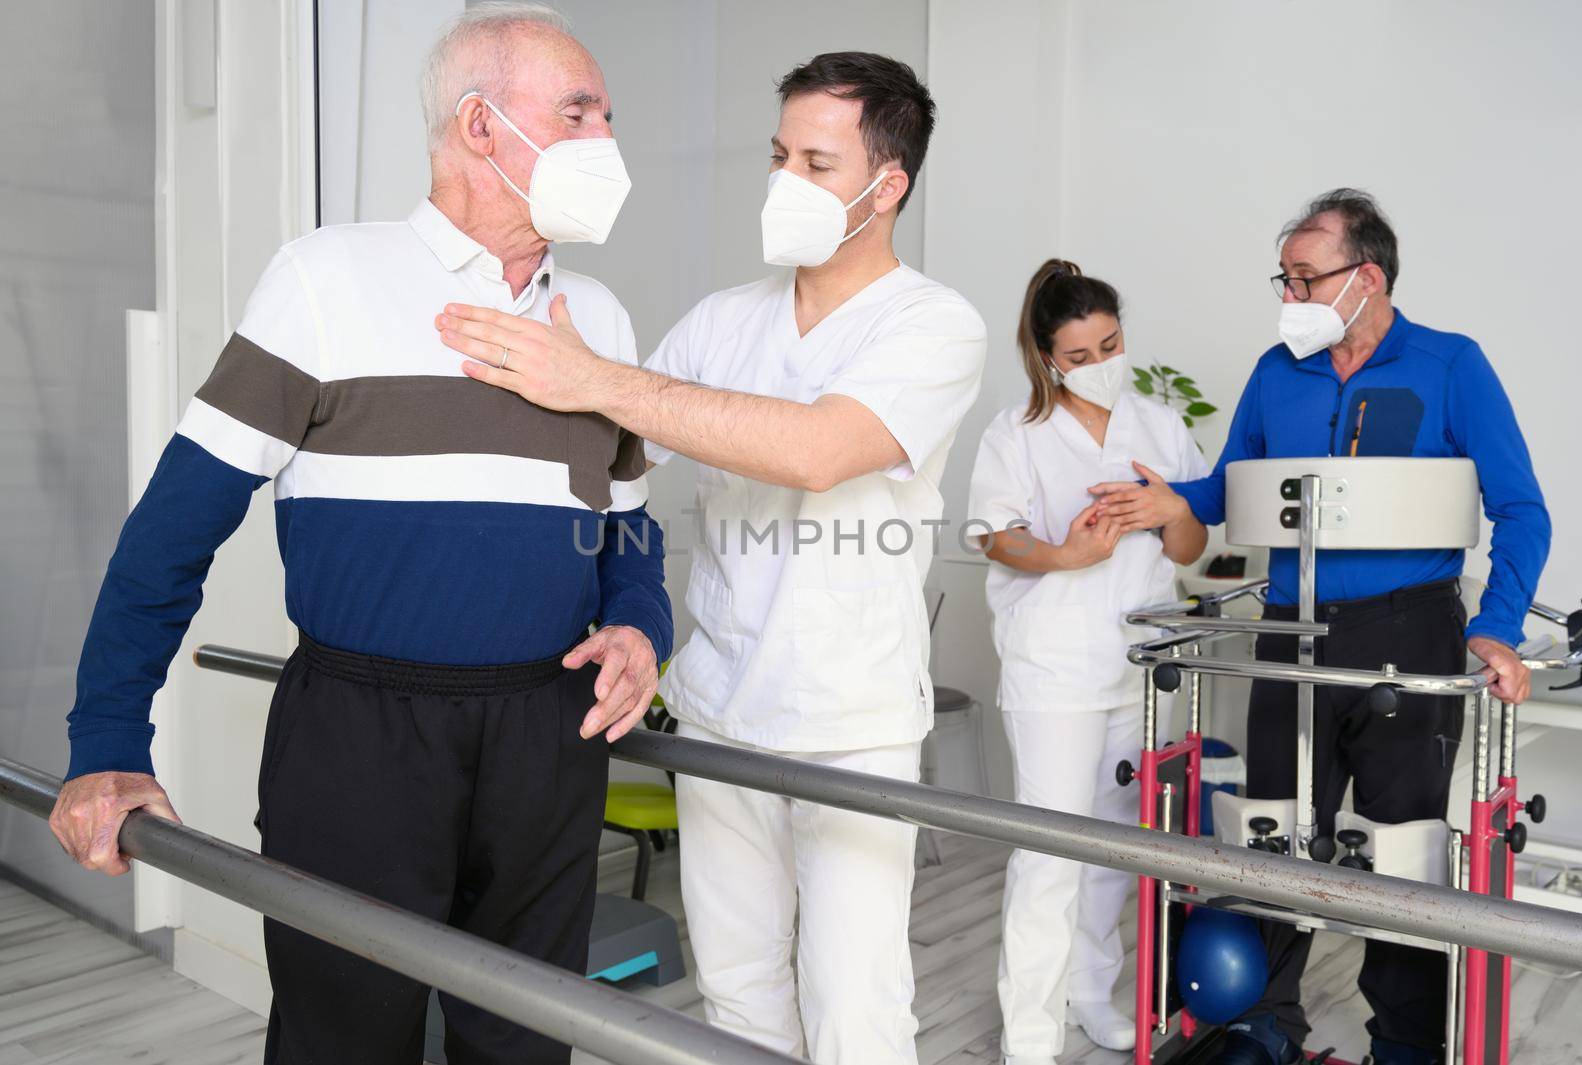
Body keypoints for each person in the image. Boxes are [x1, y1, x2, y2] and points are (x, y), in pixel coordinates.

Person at [47, 5, 670, 1063]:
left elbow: (629, 533)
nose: (606, 140)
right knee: (346, 1040)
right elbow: (170, 535)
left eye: (608, 115)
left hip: (547, 736)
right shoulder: (323, 280)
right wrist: (107, 744)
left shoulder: (599, 320)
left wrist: (638, 624)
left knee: (527, 1040)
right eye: (577, 113)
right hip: (363, 736)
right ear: (482, 126)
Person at [435, 51, 986, 1065]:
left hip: (847, 722)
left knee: (855, 1008)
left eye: (816, 164)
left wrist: (598, 379)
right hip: (723, 710)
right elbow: (612, 449)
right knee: (735, 1000)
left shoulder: (932, 323)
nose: (784, 183)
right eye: (778, 156)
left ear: (887, 183)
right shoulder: (723, 320)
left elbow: (817, 450)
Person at [1090, 188, 1550, 1065]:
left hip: (1405, 632)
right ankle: (1267, 1025)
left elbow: (1522, 509)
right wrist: (1169, 500)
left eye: (1306, 279)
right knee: (1273, 833)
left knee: (1402, 853)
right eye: (1287, 279)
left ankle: (1406, 1043)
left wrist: (1496, 626)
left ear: (1366, 277)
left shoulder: (1451, 365)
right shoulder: (1278, 371)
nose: (1290, 298)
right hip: (1289, 633)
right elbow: (1231, 485)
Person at [967, 260, 1207, 1063]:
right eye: (1079, 355)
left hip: (1141, 666)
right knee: (1047, 848)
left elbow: (1196, 546)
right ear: (1045, 358)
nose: (1101, 364)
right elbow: (993, 535)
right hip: (1055, 666)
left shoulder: (1160, 424)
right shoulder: (1018, 433)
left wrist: (1173, 508)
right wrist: (1069, 553)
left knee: (1115, 840)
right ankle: (1029, 1029)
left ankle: (1090, 991)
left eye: (1111, 344)